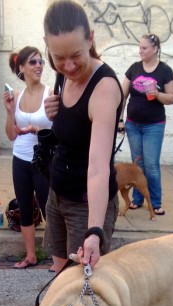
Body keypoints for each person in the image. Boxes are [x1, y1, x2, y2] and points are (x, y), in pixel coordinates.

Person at [42, 0, 123, 272]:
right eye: (58, 57)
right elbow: (70, 131)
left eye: (75, 55)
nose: (68, 66)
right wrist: (53, 112)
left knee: (82, 288)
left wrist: (94, 230)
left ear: (90, 38)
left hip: (86, 205)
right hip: (58, 192)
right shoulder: (62, 74)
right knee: (59, 275)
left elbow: (99, 167)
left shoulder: (104, 88)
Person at [4, 46, 53, 269]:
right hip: (20, 159)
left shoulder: (51, 94)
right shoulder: (16, 96)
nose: (38, 66)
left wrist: (38, 129)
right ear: (21, 67)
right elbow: (11, 135)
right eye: (32, 62)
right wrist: (9, 112)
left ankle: (57, 257)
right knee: (24, 207)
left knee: (48, 208)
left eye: (41, 62)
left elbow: (58, 131)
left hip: (43, 160)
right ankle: (31, 255)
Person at [121, 33, 173, 216]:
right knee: (138, 165)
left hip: (154, 125)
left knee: (151, 164)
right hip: (133, 124)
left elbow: (172, 97)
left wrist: (158, 94)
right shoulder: (134, 68)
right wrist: (120, 119)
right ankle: (137, 200)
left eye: (144, 48)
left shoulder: (165, 71)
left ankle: (155, 202)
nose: (141, 51)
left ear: (155, 49)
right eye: (140, 47)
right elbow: (122, 95)